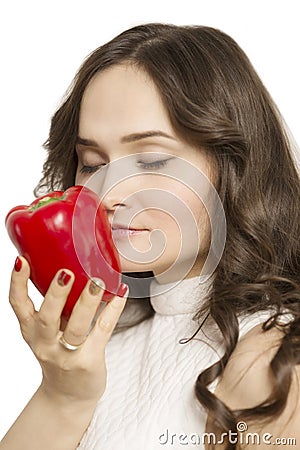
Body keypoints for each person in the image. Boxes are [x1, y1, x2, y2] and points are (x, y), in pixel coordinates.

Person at [1, 23, 299, 450]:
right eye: (91, 162)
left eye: (153, 160)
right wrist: (61, 396)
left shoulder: (269, 362)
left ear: (235, 168)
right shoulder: (102, 347)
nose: (108, 193)